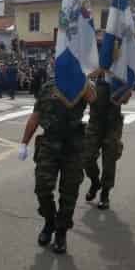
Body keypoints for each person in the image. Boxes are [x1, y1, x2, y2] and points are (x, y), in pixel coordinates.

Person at [18, 80, 97, 254]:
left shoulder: (82, 84)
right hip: (49, 144)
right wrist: (24, 142)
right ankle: (49, 222)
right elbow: (36, 115)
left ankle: (61, 232)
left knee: (69, 193)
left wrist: (84, 82)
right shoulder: (47, 87)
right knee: (42, 188)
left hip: (73, 146)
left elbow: (94, 99)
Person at [82, 74, 131, 210]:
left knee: (109, 159)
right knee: (87, 157)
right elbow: (86, 98)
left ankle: (105, 194)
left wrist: (125, 90)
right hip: (95, 123)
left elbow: (125, 100)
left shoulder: (119, 76)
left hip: (112, 124)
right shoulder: (92, 77)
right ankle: (95, 182)